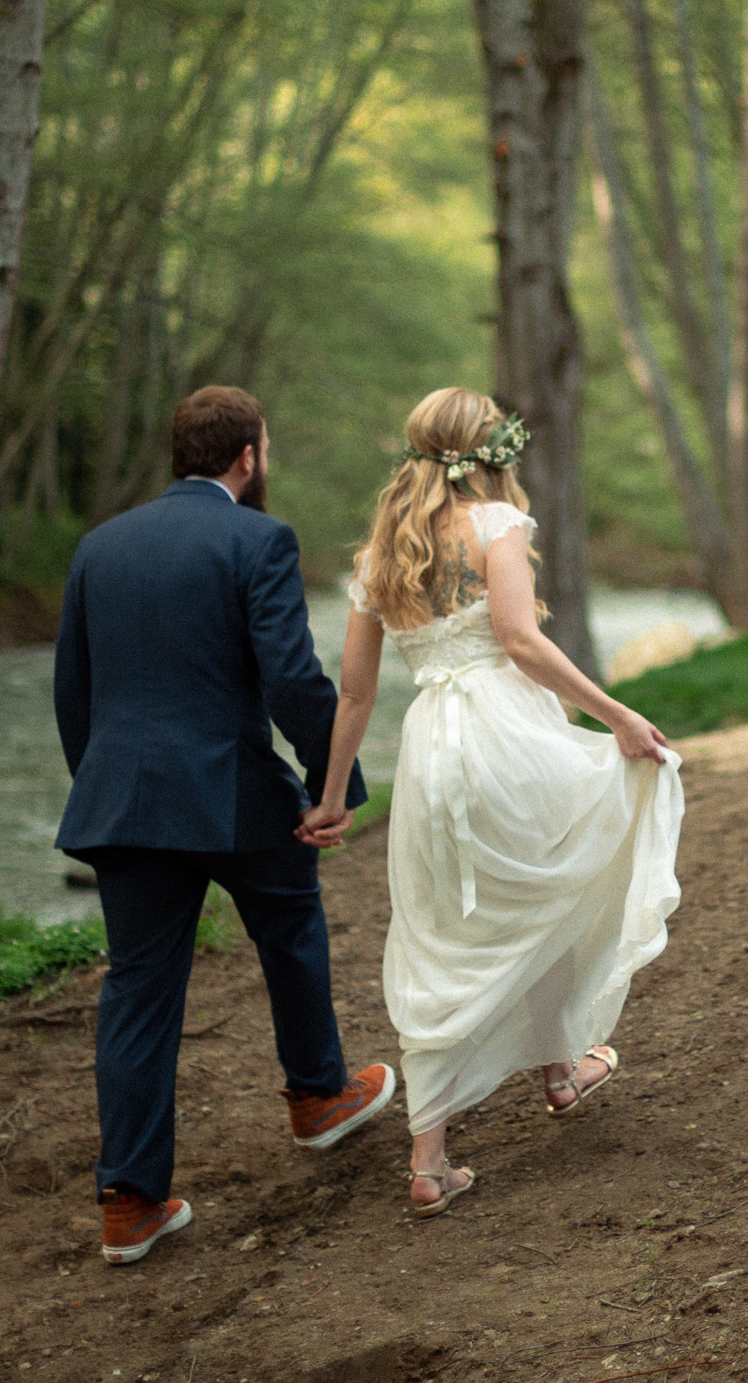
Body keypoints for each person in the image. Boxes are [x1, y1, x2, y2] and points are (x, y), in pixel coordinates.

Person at [302, 388, 683, 1219]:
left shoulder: (379, 556)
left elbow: (356, 694)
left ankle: (436, 1155)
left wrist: (330, 798)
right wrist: (617, 716)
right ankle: (560, 1065)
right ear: (490, 454)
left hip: (432, 754)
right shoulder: (497, 528)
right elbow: (519, 639)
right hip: (509, 739)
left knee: (446, 930)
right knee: (550, 885)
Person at [54, 386, 396, 1265]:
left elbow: (74, 694)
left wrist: (107, 791)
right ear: (248, 457)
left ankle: (128, 1204)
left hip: (122, 802)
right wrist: (332, 786)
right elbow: (291, 676)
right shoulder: (257, 538)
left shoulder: (99, 547)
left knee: (136, 990)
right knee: (288, 923)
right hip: (230, 794)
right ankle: (319, 1097)